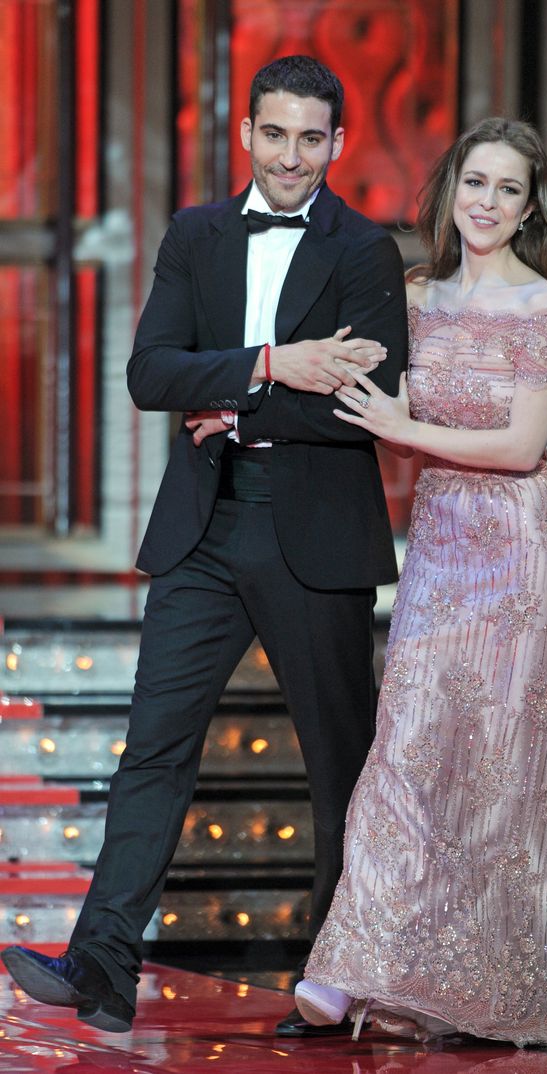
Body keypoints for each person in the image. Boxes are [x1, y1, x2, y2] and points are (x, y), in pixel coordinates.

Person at [1, 55, 408, 1037]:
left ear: (338, 144)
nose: (293, 155)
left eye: (313, 137)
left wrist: (230, 395)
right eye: (276, 133)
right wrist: (274, 366)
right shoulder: (196, 234)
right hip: (205, 526)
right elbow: (150, 373)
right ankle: (101, 963)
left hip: (316, 533)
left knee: (339, 765)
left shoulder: (366, 250)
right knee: (152, 751)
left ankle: (336, 981)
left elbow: (370, 412)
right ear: (248, 134)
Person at [294, 117, 547, 1045]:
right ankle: (352, 961)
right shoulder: (410, 295)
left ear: (530, 210)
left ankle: (493, 968)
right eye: (475, 183)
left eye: (508, 190)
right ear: (450, 190)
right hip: (439, 544)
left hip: (517, 552)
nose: (487, 203)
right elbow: (357, 386)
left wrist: (403, 433)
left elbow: (522, 450)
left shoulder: (541, 305)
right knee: (408, 743)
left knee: (506, 768)